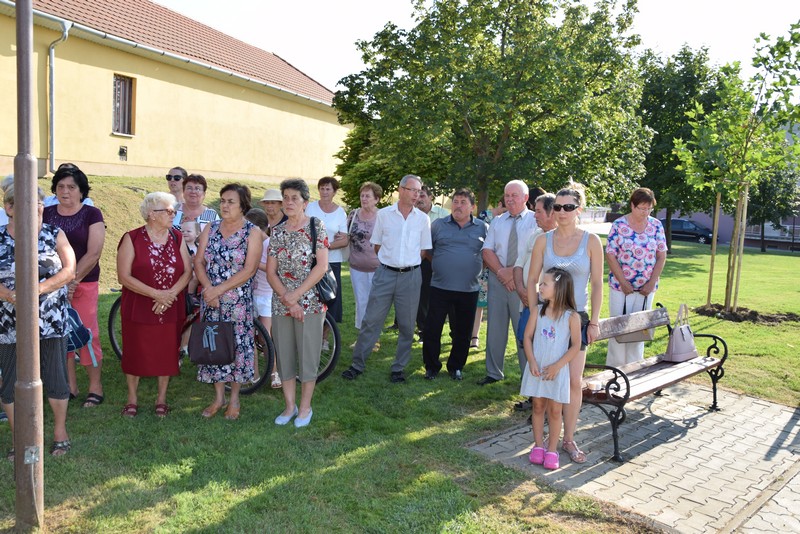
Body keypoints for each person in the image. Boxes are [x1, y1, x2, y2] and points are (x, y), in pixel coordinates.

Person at [526, 183, 604, 464]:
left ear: (578, 210)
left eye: (568, 207)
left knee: (572, 380)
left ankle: (568, 439)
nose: (561, 212)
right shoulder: (543, 241)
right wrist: (535, 313)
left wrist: (594, 322)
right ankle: (544, 440)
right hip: (547, 317)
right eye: (558, 207)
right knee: (544, 376)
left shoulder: (591, 242)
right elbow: (532, 279)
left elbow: (597, 284)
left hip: (576, 318)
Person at [1, 183, 76, 457]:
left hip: (51, 320)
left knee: (56, 376)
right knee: (11, 380)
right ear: (10, 208)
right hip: (9, 323)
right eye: (31, 203)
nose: (39, 208)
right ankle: (19, 437)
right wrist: (9, 295)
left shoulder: (54, 234)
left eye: (40, 203)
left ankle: (59, 432)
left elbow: (69, 270)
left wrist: (38, 290)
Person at [341, 174, 431, 383]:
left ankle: (398, 368)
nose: (417, 195)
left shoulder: (422, 219)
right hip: (385, 274)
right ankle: (357, 365)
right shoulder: (384, 215)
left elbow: (424, 250)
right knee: (371, 320)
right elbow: (377, 245)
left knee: (407, 326)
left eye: (419, 191)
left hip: (411, 277)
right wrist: (392, 262)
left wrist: (407, 263)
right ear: (401, 190)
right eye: (413, 190)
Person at [116, 192, 192, 417]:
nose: (173, 214)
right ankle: (132, 399)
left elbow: (187, 271)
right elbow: (124, 276)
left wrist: (169, 295)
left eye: (174, 211)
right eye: (168, 211)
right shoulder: (132, 238)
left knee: (167, 351)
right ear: (151, 214)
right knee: (135, 351)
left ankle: (161, 399)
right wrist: (156, 295)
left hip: (171, 305)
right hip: (139, 305)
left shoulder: (177, 237)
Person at [194, 183, 262, 420]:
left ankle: (234, 399)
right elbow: (199, 261)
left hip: (237, 303)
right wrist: (209, 290)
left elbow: (249, 269)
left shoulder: (252, 232)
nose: (224, 205)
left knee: (237, 347)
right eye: (222, 200)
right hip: (211, 300)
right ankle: (218, 398)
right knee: (214, 347)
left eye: (230, 201)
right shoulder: (210, 228)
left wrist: (218, 290)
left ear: (243, 205)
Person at [267, 179, 329, 427]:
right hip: (281, 303)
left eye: (294, 198)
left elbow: (321, 267)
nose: (289, 202)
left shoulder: (316, 225)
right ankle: (289, 406)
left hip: (310, 303)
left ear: (305, 202)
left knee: (308, 356)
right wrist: (288, 298)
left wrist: (297, 296)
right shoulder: (277, 232)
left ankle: (305, 408)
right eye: (285, 197)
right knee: (284, 355)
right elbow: (271, 272)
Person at [42, 164, 106, 408]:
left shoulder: (92, 214)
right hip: (51, 286)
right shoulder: (46, 213)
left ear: (81, 191)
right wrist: (59, 283)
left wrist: (72, 280)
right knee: (60, 334)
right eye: (60, 186)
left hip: (84, 282)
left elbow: (94, 252)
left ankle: (95, 386)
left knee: (87, 333)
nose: (65, 191)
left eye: (71, 187)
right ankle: (70, 386)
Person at [422, 189, 487, 380]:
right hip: (440, 286)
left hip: (468, 288)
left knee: (463, 331)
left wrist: (473, 268)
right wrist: (443, 264)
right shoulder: (438, 225)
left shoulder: (483, 228)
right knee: (432, 328)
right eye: (455, 201)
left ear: (472, 207)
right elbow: (427, 251)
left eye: (463, 202)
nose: (458, 206)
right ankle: (431, 366)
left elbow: (488, 254)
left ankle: (456, 366)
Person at [521, 268, 582, 471]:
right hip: (537, 370)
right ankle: (538, 446)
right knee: (538, 407)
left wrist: (558, 365)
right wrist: (531, 361)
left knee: (555, 411)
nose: (540, 287)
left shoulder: (572, 317)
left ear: (559, 288)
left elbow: (576, 346)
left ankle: (552, 450)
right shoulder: (537, 312)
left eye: (545, 284)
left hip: (557, 372)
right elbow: (527, 337)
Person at [478, 180, 538, 385]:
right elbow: (487, 250)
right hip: (498, 281)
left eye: (514, 195)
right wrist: (501, 273)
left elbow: (536, 253)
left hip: (523, 283)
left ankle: (527, 375)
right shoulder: (497, 221)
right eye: (507, 195)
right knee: (495, 329)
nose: (510, 199)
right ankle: (493, 372)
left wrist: (513, 274)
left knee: (524, 329)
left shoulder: (535, 220)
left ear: (526, 198)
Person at [605, 187, 667, 367]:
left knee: (639, 332)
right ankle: (615, 371)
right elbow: (610, 255)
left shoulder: (656, 225)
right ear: (632, 205)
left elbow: (661, 255)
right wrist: (623, 282)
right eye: (642, 208)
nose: (646, 212)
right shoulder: (619, 225)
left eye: (649, 209)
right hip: (620, 288)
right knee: (618, 331)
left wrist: (651, 283)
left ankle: (634, 369)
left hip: (646, 290)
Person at [512, 192, 556, 412]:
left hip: (548, 307)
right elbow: (518, 265)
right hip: (527, 303)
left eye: (538, 211)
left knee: (545, 349)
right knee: (526, 343)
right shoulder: (535, 236)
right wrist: (522, 290)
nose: (535, 215)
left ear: (551, 212)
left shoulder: (559, 240)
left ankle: (545, 403)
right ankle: (534, 398)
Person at [305, 177, 348, 325]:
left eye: (328, 189)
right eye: (322, 188)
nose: (324, 192)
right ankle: (310, 328)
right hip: (309, 259)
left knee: (331, 297)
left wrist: (323, 246)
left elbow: (344, 241)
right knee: (311, 295)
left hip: (332, 261)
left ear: (334, 192)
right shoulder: (310, 208)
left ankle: (326, 334)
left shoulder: (340, 213)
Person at [245, 207, 280, 388]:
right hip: (252, 294)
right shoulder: (251, 243)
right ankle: (254, 374)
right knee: (249, 335)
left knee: (265, 336)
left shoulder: (270, 244)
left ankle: (274, 373)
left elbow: (274, 268)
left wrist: (254, 263)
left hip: (267, 295)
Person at [346, 181, 382, 352]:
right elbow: (345, 234)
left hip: (378, 268)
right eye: (362, 195)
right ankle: (362, 338)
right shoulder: (353, 214)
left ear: (377, 199)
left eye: (368, 196)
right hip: (356, 266)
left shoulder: (382, 217)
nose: (364, 198)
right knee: (361, 302)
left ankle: (374, 339)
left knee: (375, 303)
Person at [415, 185, 451, 336]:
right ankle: (420, 328)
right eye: (417, 195)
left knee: (433, 296)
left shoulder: (443, 215)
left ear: (431, 197)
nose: (419, 199)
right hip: (416, 260)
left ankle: (429, 329)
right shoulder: (411, 213)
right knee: (417, 295)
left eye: (422, 195)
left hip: (437, 261)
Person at [471, 199, 507, 349]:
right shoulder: (484, 217)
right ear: (499, 204)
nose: (506, 213)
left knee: (484, 304)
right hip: (482, 266)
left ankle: (476, 337)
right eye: (504, 209)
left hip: (497, 266)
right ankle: (471, 335)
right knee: (476, 303)